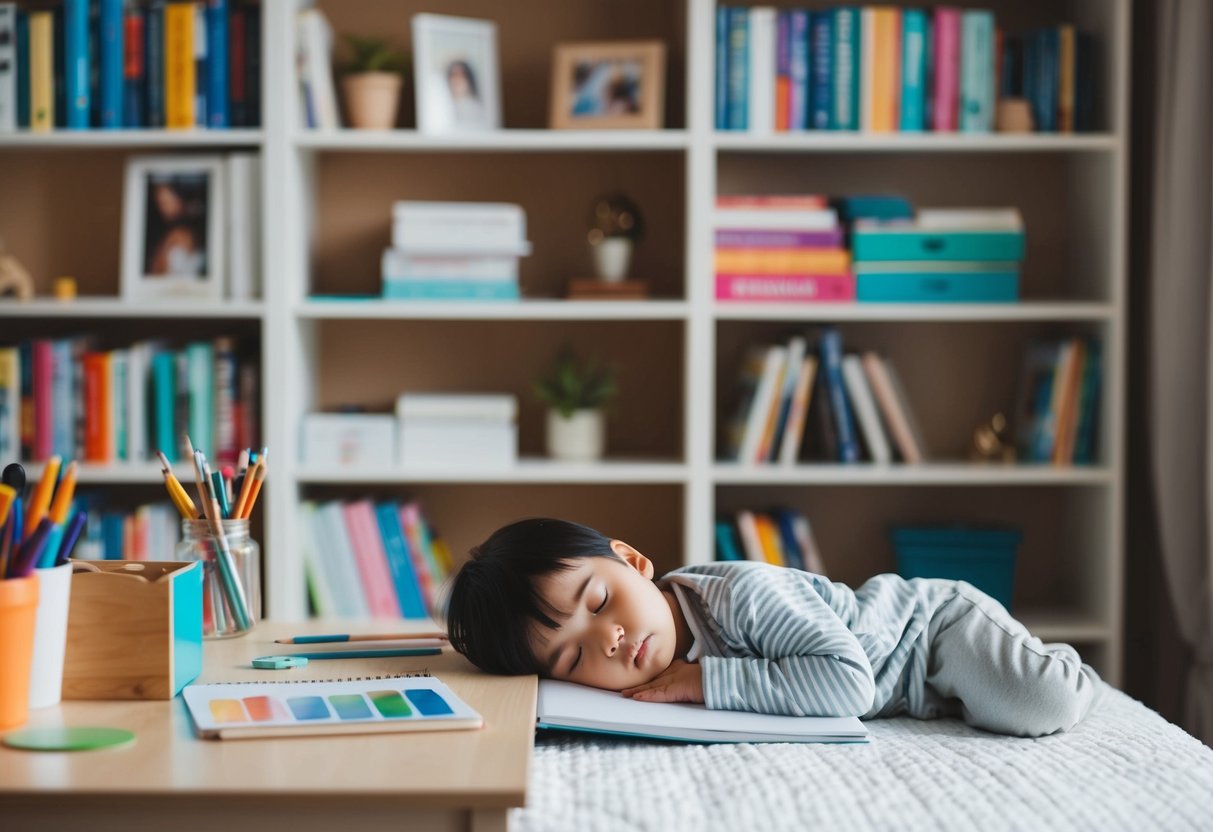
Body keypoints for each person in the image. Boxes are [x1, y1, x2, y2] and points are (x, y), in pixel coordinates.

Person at [446, 517, 1102, 738]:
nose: (608, 641)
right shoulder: (627, 675)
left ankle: (1068, 667)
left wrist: (703, 683)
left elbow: (847, 686)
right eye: (569, 659)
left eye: (597, 601)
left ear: (632, 562)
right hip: (904, 690)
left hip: (924, 632)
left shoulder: (738, 595)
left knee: (1038, 702)